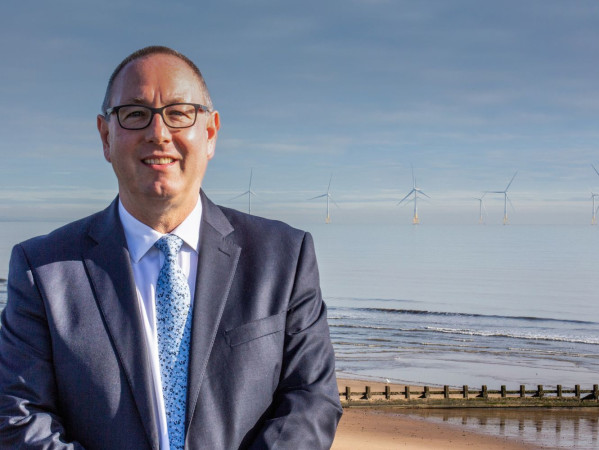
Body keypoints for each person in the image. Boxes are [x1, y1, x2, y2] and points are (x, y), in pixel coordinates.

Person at [0, 46, 342, 449]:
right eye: (135, 113)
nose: (158, 133)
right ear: (106, 136)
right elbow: (19, 415)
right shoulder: (42, 270)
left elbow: (311, 400)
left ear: (210, 133)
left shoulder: (285, 256)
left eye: (179, 113)